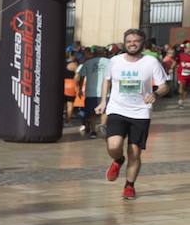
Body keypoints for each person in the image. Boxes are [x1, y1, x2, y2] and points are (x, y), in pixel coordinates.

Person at [96, 29, 172, 201]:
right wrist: (103, 102)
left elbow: (164, 86)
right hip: (117, 109)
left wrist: (155, 94)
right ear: (124, 43)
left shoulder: (151, 62)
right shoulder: (114, 61)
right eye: (129, 41)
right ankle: (118, 160)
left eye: (136, 41)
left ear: (142, 43)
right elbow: (106, 81)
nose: (132, 44)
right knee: (114, 145)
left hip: (140, 112)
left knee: (135, 152)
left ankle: (129, 186)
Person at [76, 47, 111, 138]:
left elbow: (81, 77)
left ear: (94, 53)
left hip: (90, 92)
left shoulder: (87, 62)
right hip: (105, 91)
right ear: (104, 53)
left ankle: (93, 131)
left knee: (92, 113)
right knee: (105, 110)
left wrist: (80, 89)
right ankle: (102, 126)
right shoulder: (110, 62)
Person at [175, 44, 190, 109]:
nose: (188, 49)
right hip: (182, 74)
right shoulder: (181, 55)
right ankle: (180, 101)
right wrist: (171, 68)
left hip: (189, 75)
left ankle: (182, 100)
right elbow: (176, 62)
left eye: (188, 48)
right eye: (187, 48)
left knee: (187, 90)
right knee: (181, 86)